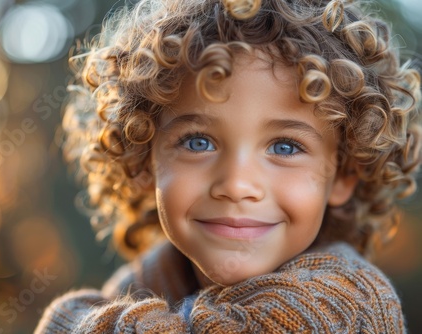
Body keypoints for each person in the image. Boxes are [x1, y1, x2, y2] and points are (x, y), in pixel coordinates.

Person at [36, 0, 421, 332]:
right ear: (144, 162)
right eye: (198, 142)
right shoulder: (145, 283)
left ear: (344, 175)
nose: (237, 185)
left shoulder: (349, 305)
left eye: (285, 147)